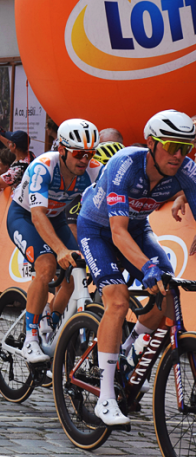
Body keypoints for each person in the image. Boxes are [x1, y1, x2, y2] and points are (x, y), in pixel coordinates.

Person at [78, 110, 196, 426]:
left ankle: (131, 351)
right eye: (171, 145)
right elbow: (117, 232)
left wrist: (155, 270)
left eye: (185, 147)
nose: (178, 155)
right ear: (151, 143)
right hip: (98, 230)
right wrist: (147, 267)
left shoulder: (185, 168)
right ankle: (105, 398)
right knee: (116, 301)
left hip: (137, 229)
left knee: (168, 291)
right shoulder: (125, 164)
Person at [6, 119, 102, 364]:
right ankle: (30, 338)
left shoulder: (94, 170)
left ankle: (51, 320)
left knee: (76, 266)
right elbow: (37, 215)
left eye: (89, 154)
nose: (84, 160)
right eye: (79, 153)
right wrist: (59, 249)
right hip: (24, 216)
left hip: (56, 216)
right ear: (62, 150)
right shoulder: (43, 167)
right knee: (47, 266)